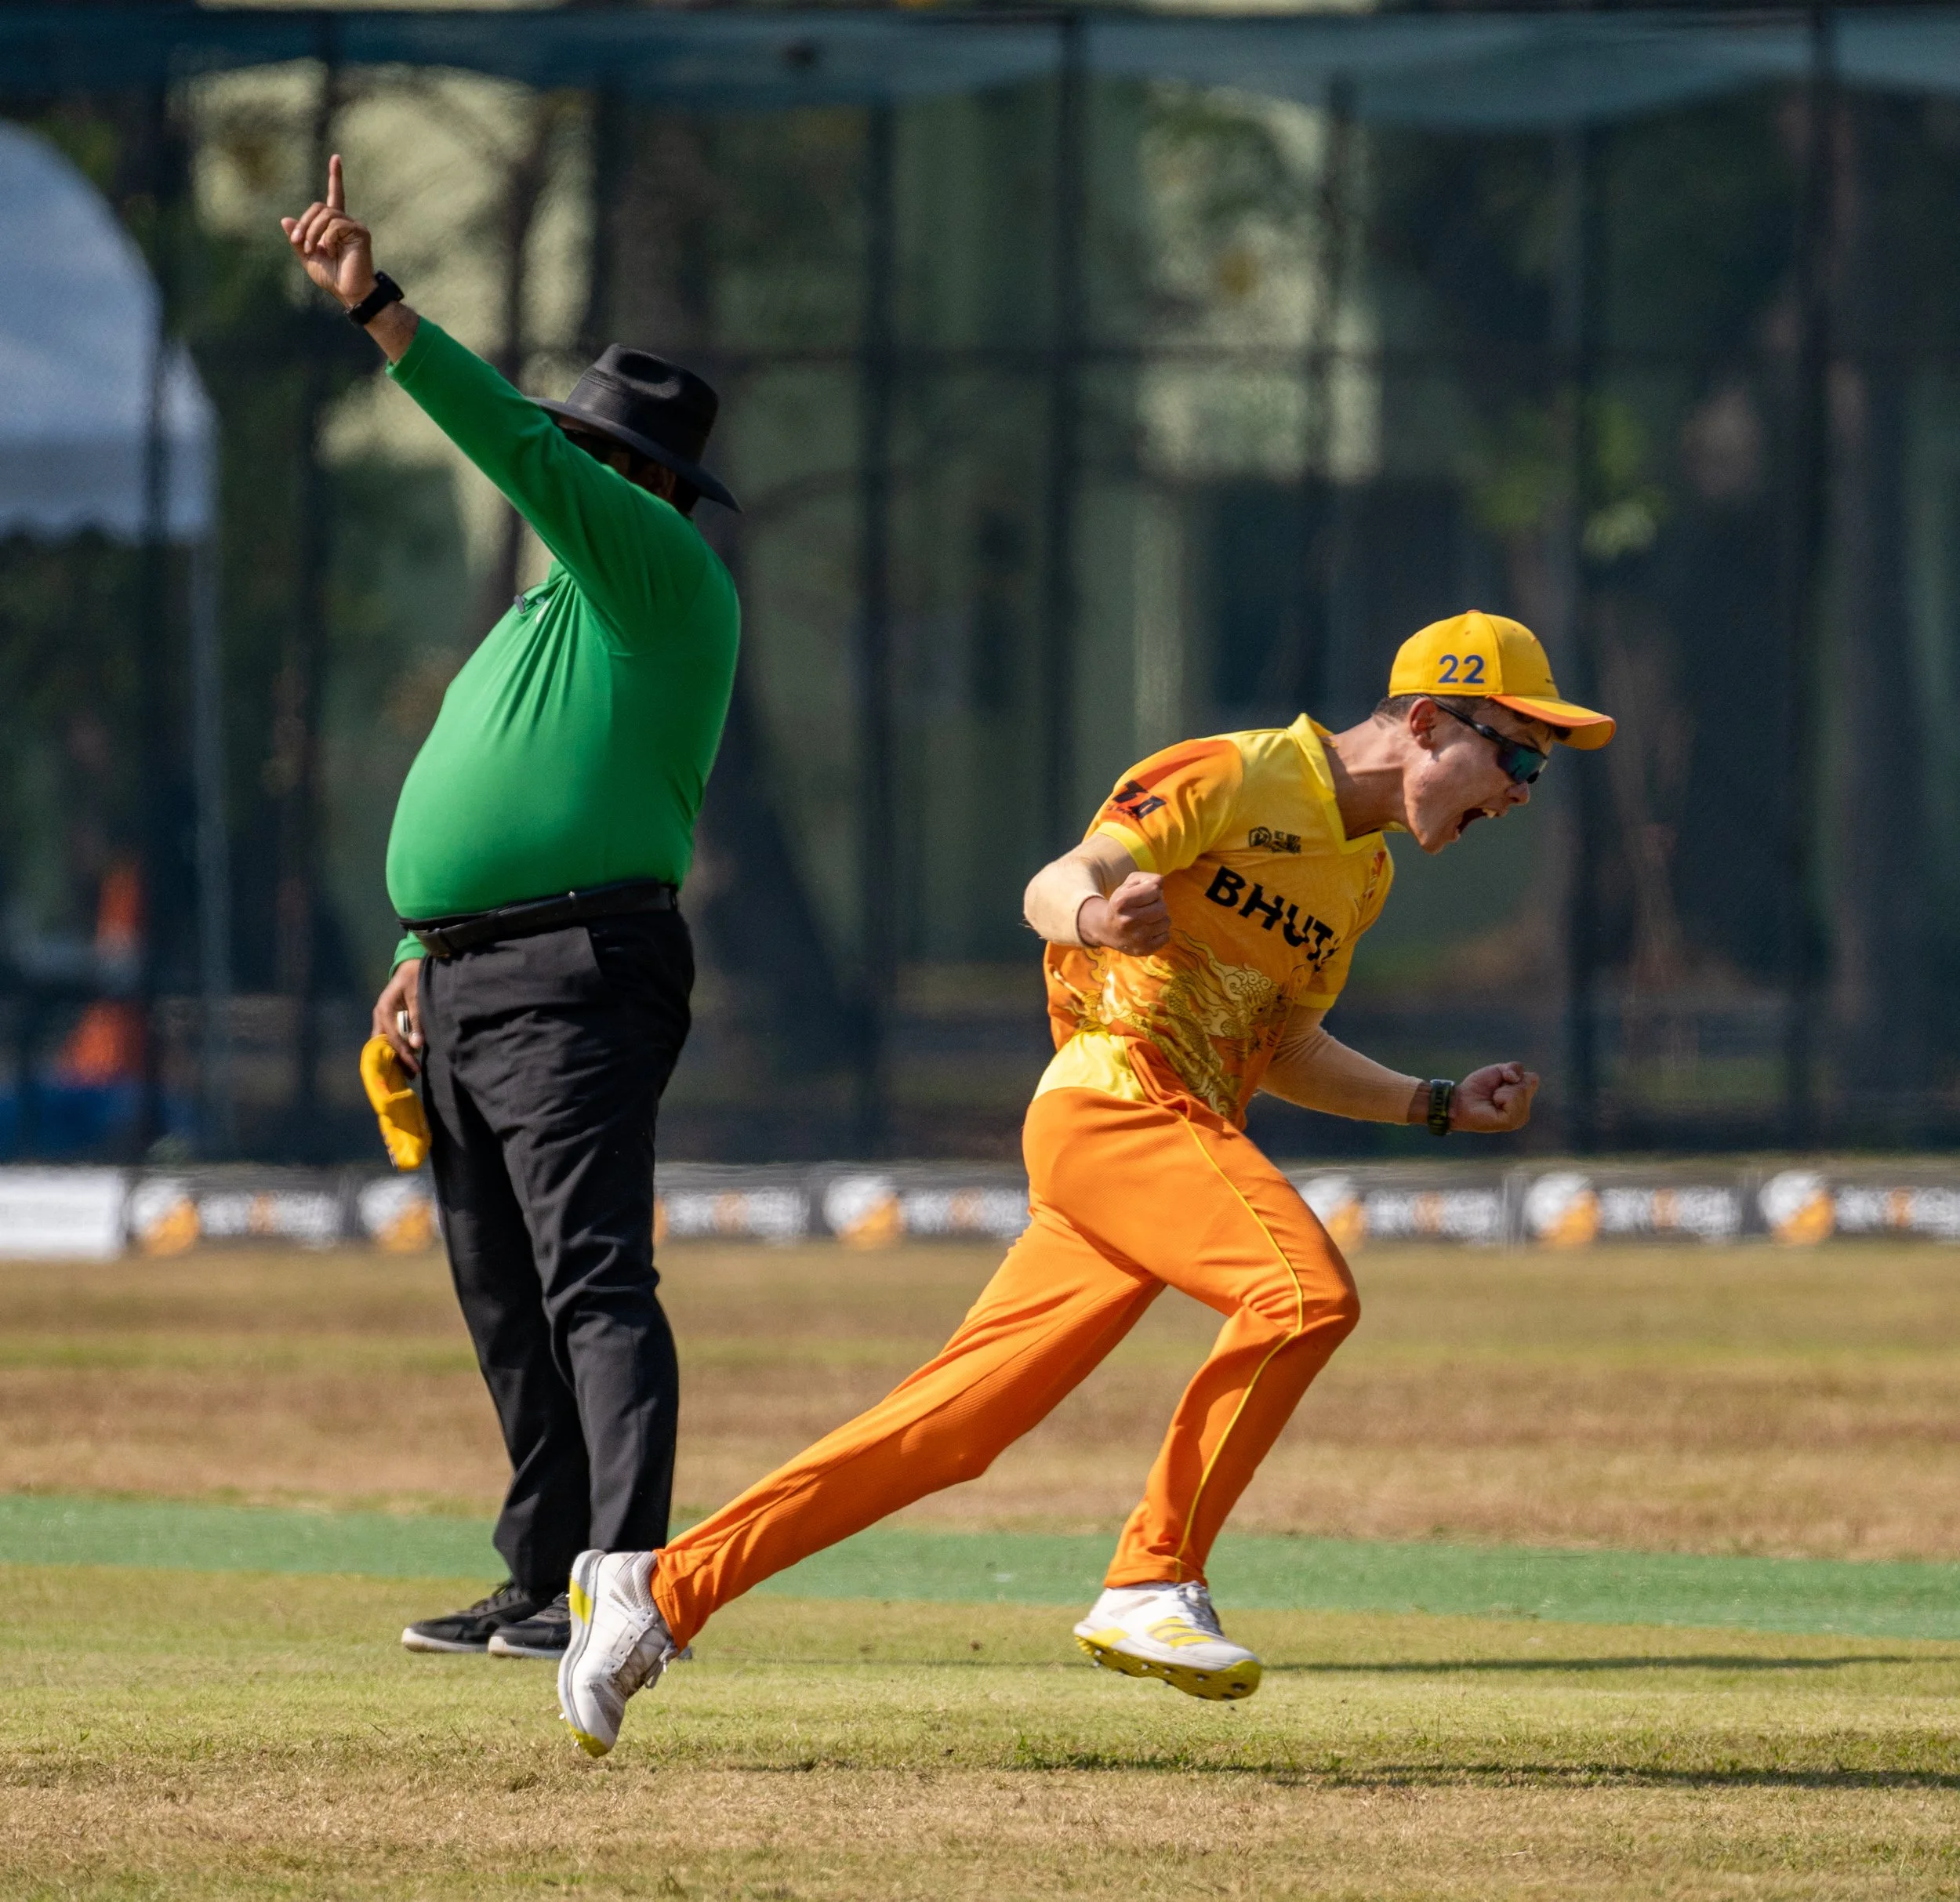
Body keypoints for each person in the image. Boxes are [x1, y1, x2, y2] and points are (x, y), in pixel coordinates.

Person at [553, 608, 1614, 1754]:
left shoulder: (1364, 878)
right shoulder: (1238, 770)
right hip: (1114, 1102)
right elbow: (1054, 882)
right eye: (1518, 757)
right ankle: (1153, 1576)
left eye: (1537, 771)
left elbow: (1286, 1045)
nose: (1522, 792)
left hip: (1158, 1148)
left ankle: (660, 1588)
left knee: (950, 1432)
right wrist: (1101, 917)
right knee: (1304, 1295)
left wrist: (1436, 1102)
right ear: (1428, 723)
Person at [281, 157, 741, 1662]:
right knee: (504, 1293)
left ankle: (626, 1581)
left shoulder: (663, 571)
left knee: (593, 1275)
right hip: (472, 980)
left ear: (637, 481)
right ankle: (543, 1574)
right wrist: (418, 948)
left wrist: (381, 309)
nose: (568, 475)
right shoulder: (554, 608)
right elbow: (489, 788)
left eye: (593, 456)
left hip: (578, 967)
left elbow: (516, 445)